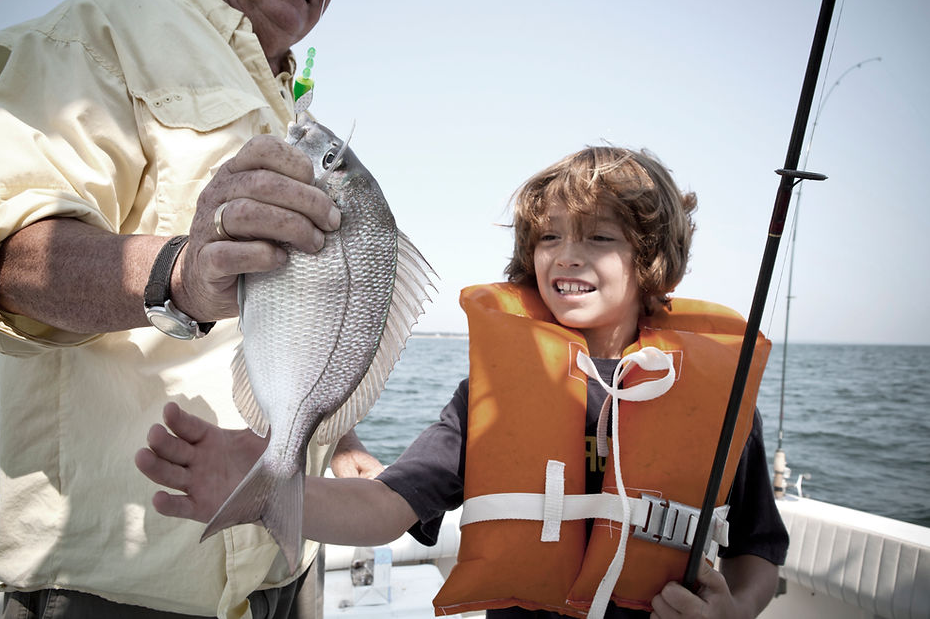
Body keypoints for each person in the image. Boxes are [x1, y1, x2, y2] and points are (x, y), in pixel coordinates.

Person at [137, 146, 790, 618]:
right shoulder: (492, 395)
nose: (567, 253)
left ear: (652, 262)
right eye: (550, 236)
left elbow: (759, 548)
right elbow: (384, 506)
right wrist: (270, 494)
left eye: (598, 237)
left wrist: (737, 606)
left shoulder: (722, 401)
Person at [0, 0, 384, 618]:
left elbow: (308, 324)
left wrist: (339, 440)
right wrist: (179, 274)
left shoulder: (298, 116)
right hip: (119, 591)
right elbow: (13, 264)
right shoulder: (104, 29)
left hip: (288, 573)